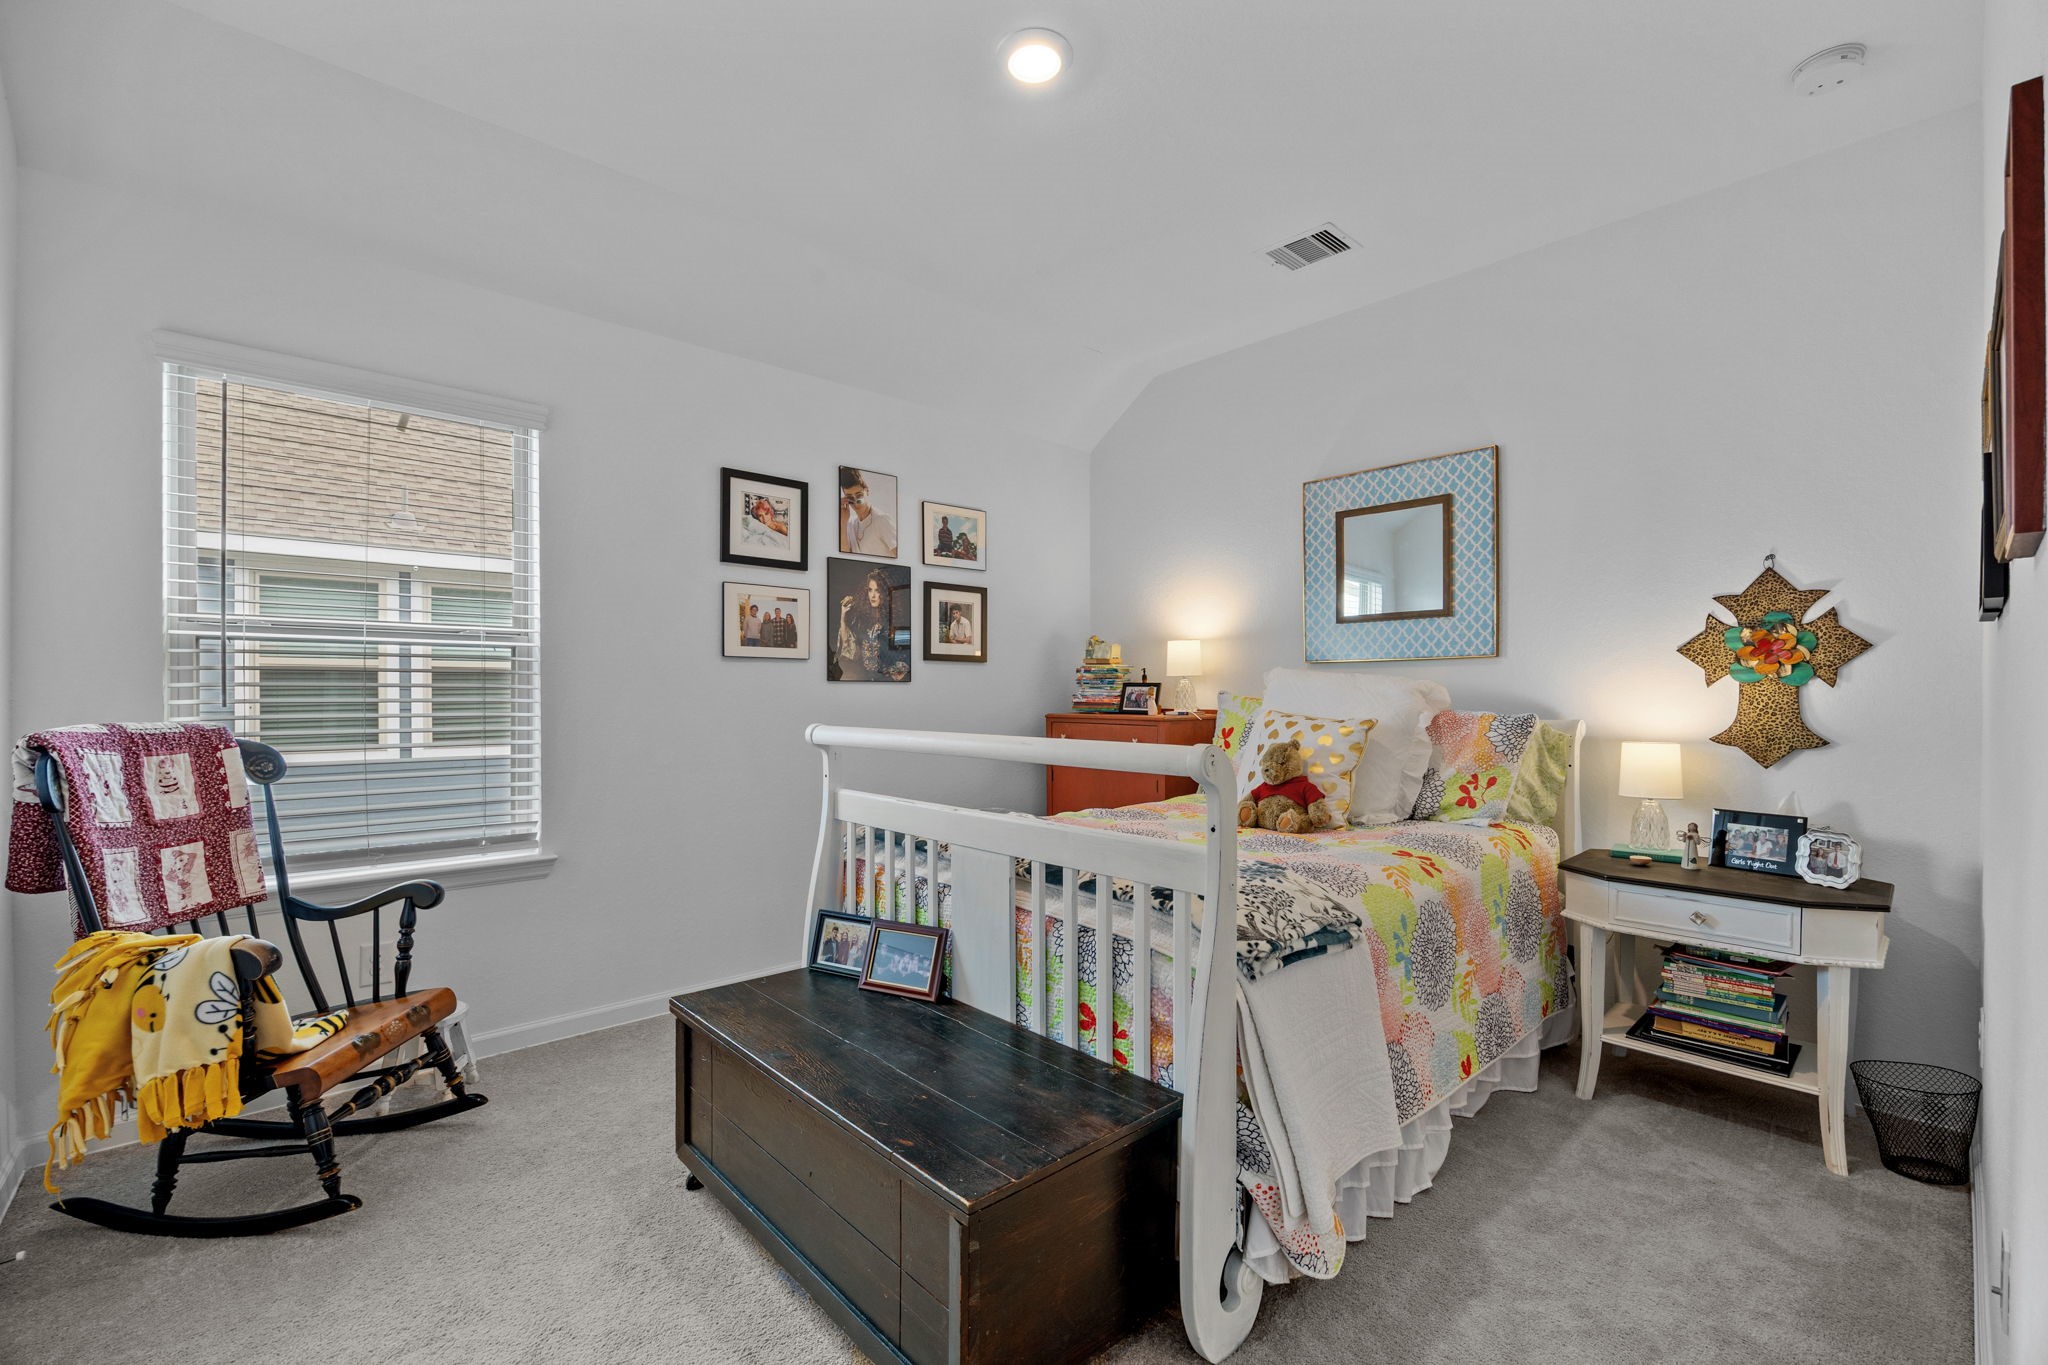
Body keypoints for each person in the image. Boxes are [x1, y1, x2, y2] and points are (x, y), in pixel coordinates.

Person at [838, 569, 898, 679]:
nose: (873, 595)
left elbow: (899, 656)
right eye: (870, 590)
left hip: (886, 681)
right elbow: (850, 649)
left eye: (877, 590)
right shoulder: (862, 620)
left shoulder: (891, 620)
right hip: (864, 680)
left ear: (884, 593)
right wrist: (843, 616)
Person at [840, 468, 897, 556]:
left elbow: (902, 559)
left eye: (859, 495)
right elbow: (845, 557)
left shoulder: (882, 520)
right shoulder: (850, 524)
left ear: (867, 490)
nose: (856, 502)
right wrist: (843, 522)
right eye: (850, 497)